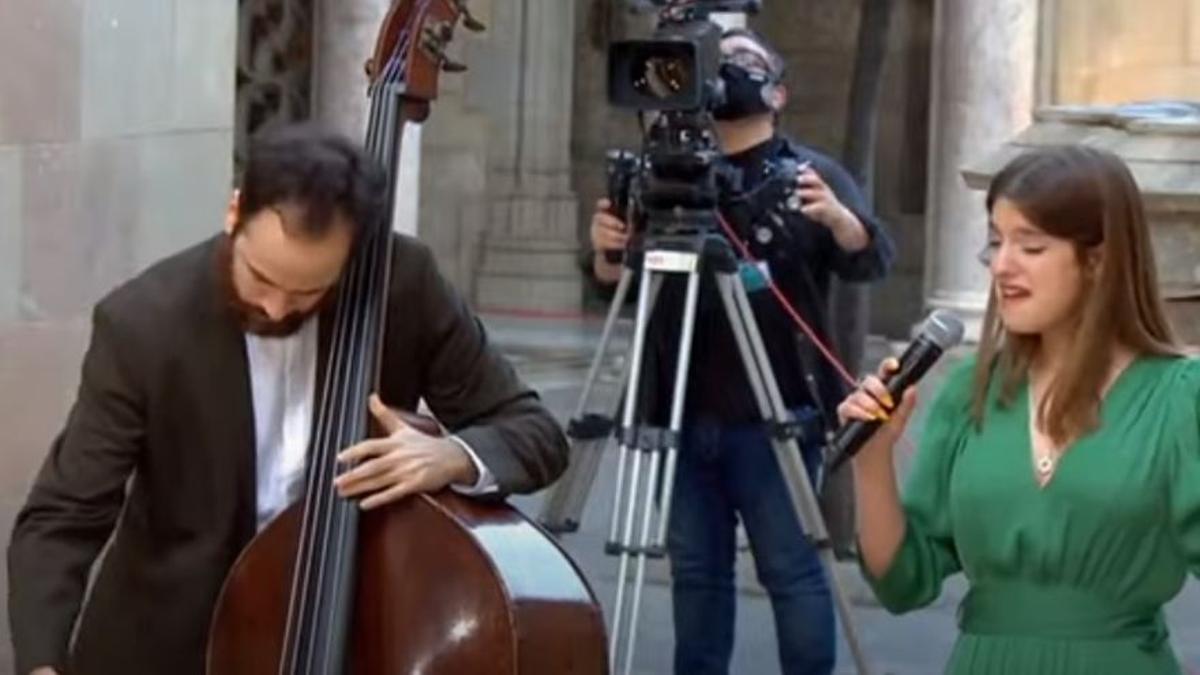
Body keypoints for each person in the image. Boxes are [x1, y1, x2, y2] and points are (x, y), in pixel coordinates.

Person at [7, 123, 569, 675]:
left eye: (308, 291)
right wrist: (41, 661)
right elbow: (65, 514)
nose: (277, 307)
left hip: (350, 629)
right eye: (260, 277)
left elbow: (535, 431)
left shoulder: (403, 284)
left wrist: (454, 456)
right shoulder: (143, 325)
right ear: (235, 215)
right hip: (172, 642)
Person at [588, 28, 894, 675]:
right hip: (676, 412)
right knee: (696, 575)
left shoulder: (807, 175)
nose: (727, 70)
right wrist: (607, 244)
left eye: (746, 62)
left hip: (775, 416)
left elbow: (871, 259)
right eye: (717, 61)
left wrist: (840, 218)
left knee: (792, 570)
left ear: (778, 92)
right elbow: (616, 281)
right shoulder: (660, 176)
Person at [841, 144, 1200, 674]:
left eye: (1030, 246)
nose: (1002, 266)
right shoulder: (971, 392)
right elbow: (900, 584)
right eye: (995, 242)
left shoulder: (1177, 397)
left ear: (1098, 260)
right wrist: (871, 462)